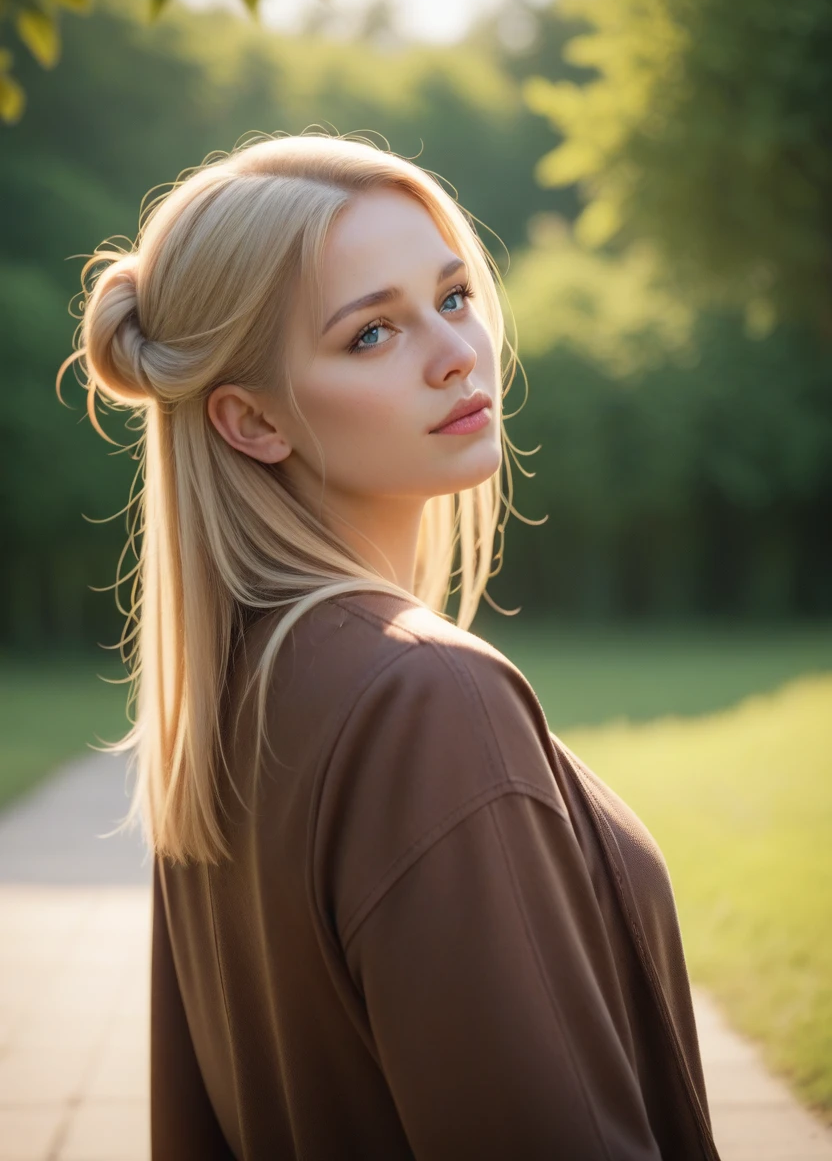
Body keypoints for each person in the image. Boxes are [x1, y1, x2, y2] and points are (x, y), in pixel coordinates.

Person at [59, 131, 722, 1159]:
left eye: (453, 296)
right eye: (371, 333)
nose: (458, 351)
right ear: (251, 420)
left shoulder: (238, 699)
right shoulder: (427, 699)